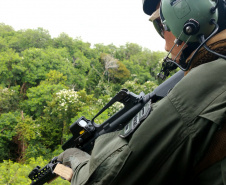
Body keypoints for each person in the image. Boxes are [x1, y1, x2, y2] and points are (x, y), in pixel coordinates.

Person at [58, 0, 226, 184]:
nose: (165, 45)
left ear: (188, 25)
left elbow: (106, 179)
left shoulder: (203, 83)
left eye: (161, 25)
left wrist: (74, 158)